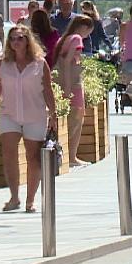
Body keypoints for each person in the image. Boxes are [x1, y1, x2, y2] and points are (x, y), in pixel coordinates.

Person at [0, 25, 58, 214]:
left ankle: (30, 200)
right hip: (9, 114)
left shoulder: (40, 64)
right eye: (13, 39)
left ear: (28, 41)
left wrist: (53, 114)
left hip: (35, 114)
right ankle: (14, 196)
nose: (16, 42)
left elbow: (48, 90)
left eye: (20, 38)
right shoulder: (2, 65)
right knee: (9, 154)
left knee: (33, 158)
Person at [54, 15, 95, 167]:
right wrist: (68, 85)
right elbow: (67, 61)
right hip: (73, 84)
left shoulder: (64, 38)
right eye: (89, 31)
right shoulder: (76, 38)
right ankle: (72, 156)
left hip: (63, 82)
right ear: (84, 27)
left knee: (68, 120)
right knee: (76, 120)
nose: (88, 35)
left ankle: (69, 156)